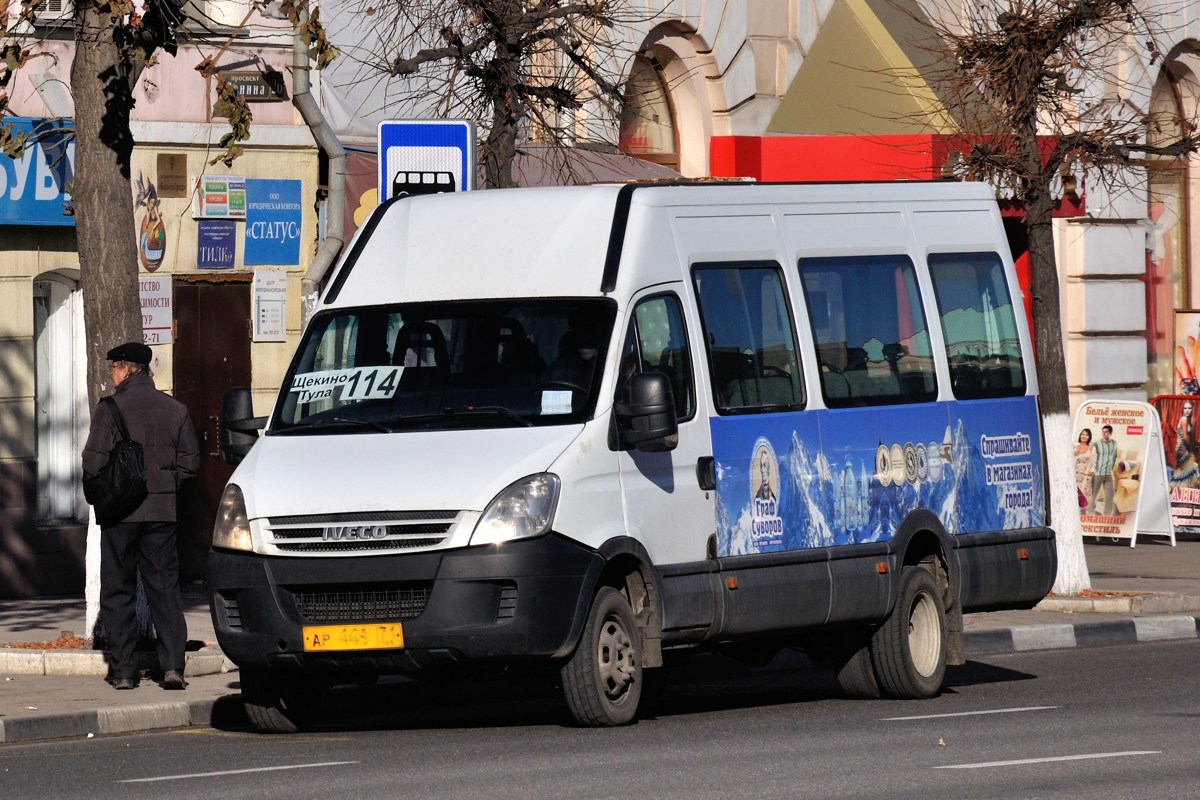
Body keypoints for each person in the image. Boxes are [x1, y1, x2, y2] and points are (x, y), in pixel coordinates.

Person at [82, 342, 200, 691]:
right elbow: (190, 465)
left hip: (120, 516)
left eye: (113, 369)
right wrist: (164, 486)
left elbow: (92, 463)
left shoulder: (110, 409)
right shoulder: (176, 410)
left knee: (118, 591)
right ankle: (173, 667)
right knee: (164, 589)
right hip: (162, 514)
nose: (111, 376)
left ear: (124, 369)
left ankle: (123, 673)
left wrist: (109, 491)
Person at [1086, 424, 1118, 516]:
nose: (1104, 434)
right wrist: (1092, 470)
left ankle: (1107, 514)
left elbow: (1114, 456)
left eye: (1106, 432)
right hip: (1098, 473)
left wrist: (1111, 468)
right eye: (1103, 432)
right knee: (1094, 494)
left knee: (1110, 495)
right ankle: (1090, 512)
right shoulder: (1097, 444)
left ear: (1110, 433)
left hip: (1108, 474)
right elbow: (1092, 458)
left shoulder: (1114, 443)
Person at [1074, 428, 1095, 511]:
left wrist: (1092, 471)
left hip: (1086, 474)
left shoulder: (1091, 448)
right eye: (1083, 434)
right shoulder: (1075, 447)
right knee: (1074, 493)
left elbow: (1095, 461)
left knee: (1084, 497)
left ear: (1089, 437)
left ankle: (1083, 512)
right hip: (1075, 473)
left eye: (1087, 435)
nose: (1084, 436)